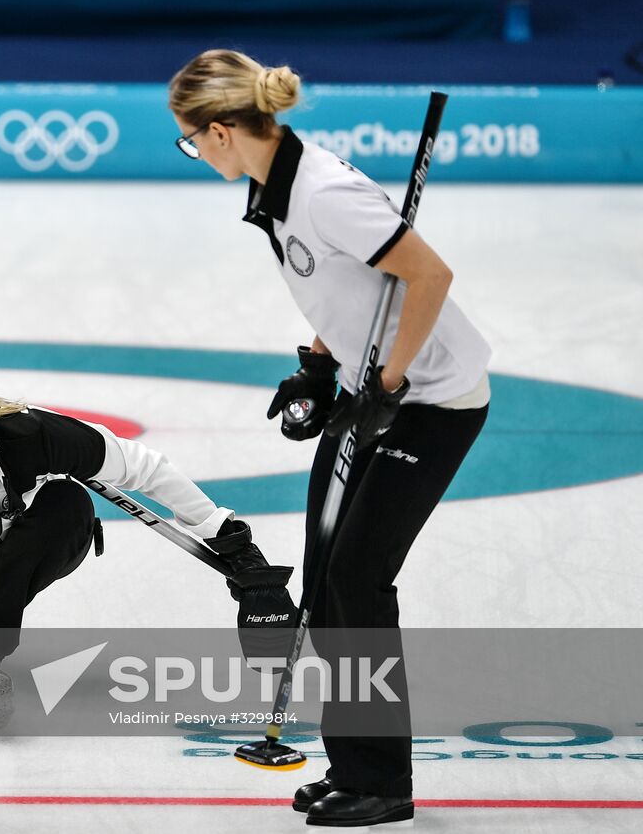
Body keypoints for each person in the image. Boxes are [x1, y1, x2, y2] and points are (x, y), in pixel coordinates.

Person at [168, 50, 490, 827]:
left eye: (188, 141)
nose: (194, 155)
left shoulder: (323, 193)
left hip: (434, 400)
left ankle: (383, 779)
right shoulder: (271, 186)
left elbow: (429, 276)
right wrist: (319, 364)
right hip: (368, 389)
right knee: (327, 575)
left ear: (218, 132)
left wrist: (388, 383)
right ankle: (355, 764)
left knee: (357, 578)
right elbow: (348, 288)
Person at [0, 372, 296, 664]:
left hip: (8, 562)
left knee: (69, 503)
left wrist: (238, 548)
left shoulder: (33, 436)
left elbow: (144, 467)